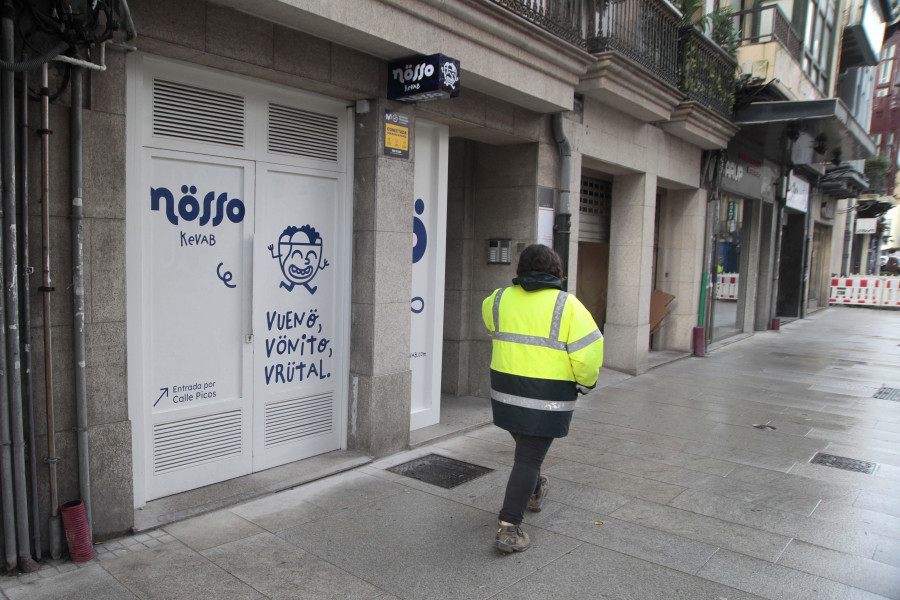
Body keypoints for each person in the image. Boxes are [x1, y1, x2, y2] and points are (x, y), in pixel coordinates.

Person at [482, 244, 604, 553]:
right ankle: (510, 528)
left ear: (519, 270)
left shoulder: (496, 300)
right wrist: (586, 383)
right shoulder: (568, 305)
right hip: (547, 398)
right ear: (557, 271)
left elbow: (494, 327)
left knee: (526, 450)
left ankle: (534, 490)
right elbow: (588, 354)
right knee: (528, 458)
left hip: (506, 393)